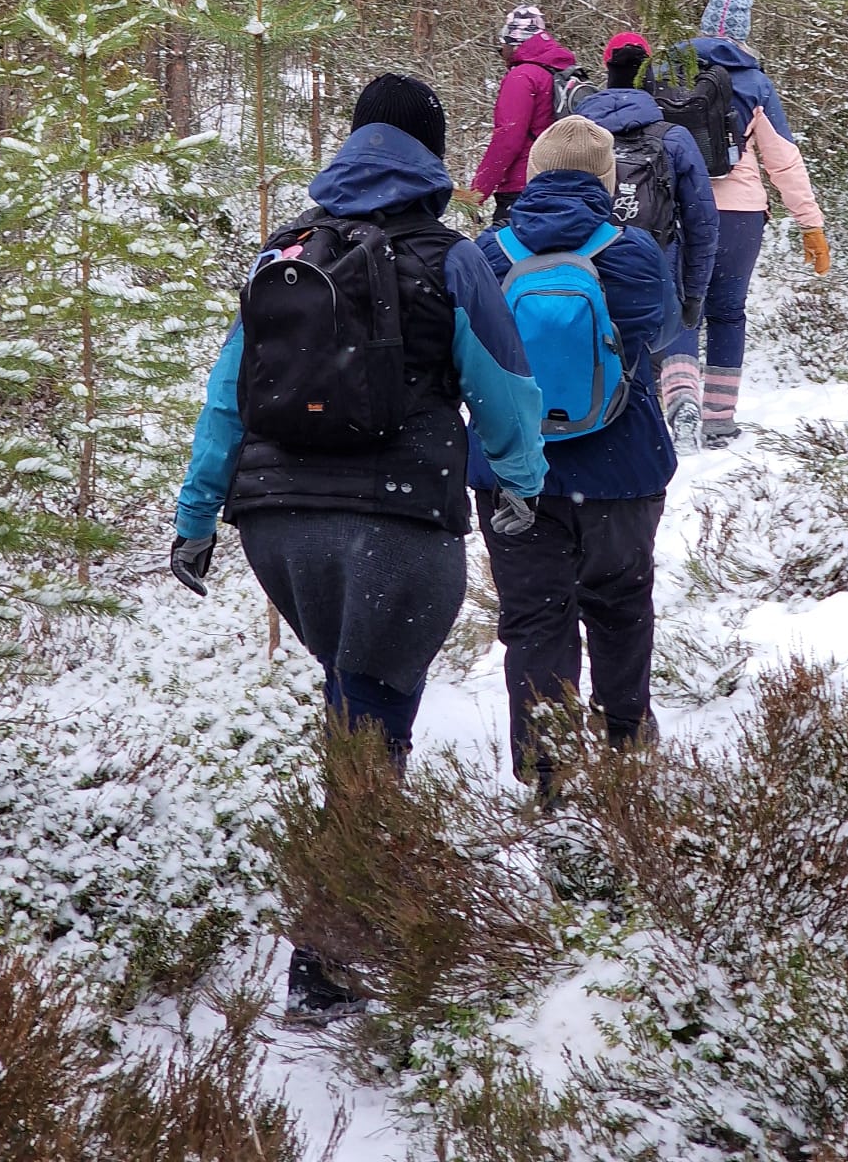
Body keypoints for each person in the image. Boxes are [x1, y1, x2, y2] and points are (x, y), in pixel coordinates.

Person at [169, 75, 546, 1021]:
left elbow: (227, 394)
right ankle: (331, 963)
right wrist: (523, 486)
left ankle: (347, 926)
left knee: (354, 699)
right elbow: (505, 393)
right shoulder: (452, 261)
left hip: (276, 530)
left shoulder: (284, 250)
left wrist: (196, 516)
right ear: (431, 154)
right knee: (373, 726)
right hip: (399, 527)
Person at [469, 115, 680, 798]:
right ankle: (626, 755)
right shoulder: (633, 251)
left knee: (535, 620)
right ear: (607, 181)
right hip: (622, 467)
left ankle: (548, 775)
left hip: (513, 472)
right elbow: (662, 328)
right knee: (620, 608)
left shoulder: (486, 255)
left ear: (532, 175)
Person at [661, 0, 829, 446]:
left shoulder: (664, 70)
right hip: (740, 213)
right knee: (728, 312)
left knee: (680, 309)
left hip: (678, 207)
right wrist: (809, 223)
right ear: (744, 31)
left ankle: (681, 404)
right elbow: (783, 161)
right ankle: (718, 419)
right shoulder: (754, 83)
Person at [572, 32, 719, 453]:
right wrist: (694, 293)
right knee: (650, 354)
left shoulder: (573, 133)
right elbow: (703, 223)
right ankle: (661, 427)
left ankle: (588, 435)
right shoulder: (672, 137)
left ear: (606, 69)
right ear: (649, 72)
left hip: (586, 269)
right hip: (655, 266)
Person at [459, 4, 579, 221]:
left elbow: (507, 139)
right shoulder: (562, 74)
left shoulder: (523, 77)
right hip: (564, 184)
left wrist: (476, 193)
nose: (501, 54)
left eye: (502, 47)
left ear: (514, 43)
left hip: (522, 189)